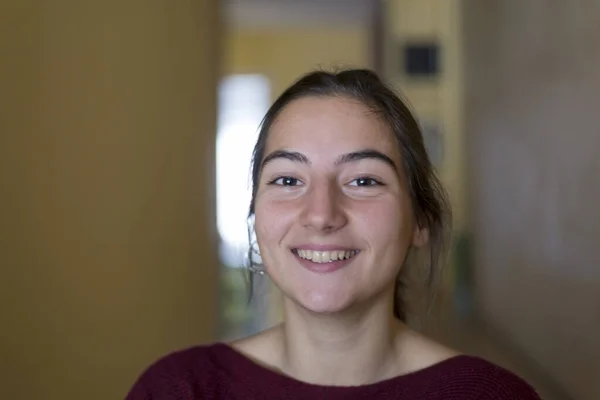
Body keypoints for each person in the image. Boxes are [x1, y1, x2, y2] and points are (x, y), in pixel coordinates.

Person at [126, 69, 540, 399]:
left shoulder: (491, 395)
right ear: (256, 218)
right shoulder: (178, 390)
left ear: (420, 221)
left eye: (363, 181)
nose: (321, 215)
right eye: (288, 180)